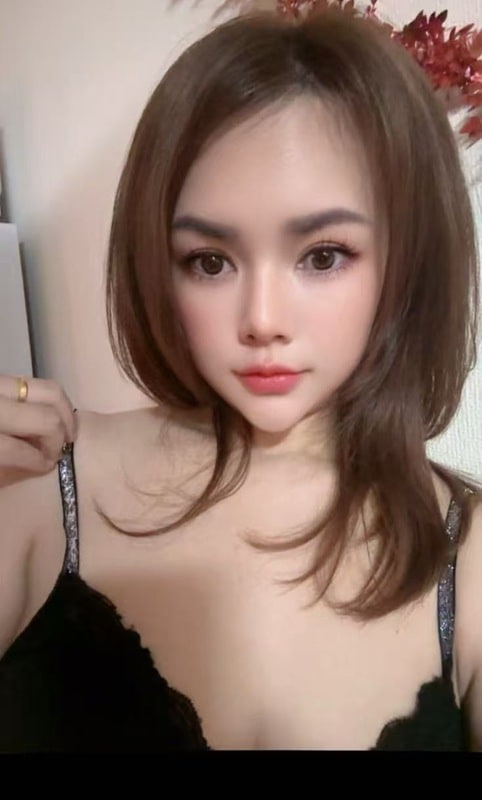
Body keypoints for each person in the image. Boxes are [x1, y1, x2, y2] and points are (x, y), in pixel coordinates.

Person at [0, 7, 481, 752]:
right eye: (210, 261)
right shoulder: (36, 485)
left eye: (323, 256)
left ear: (408, 260)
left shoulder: (468, 557)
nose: (261, 320)